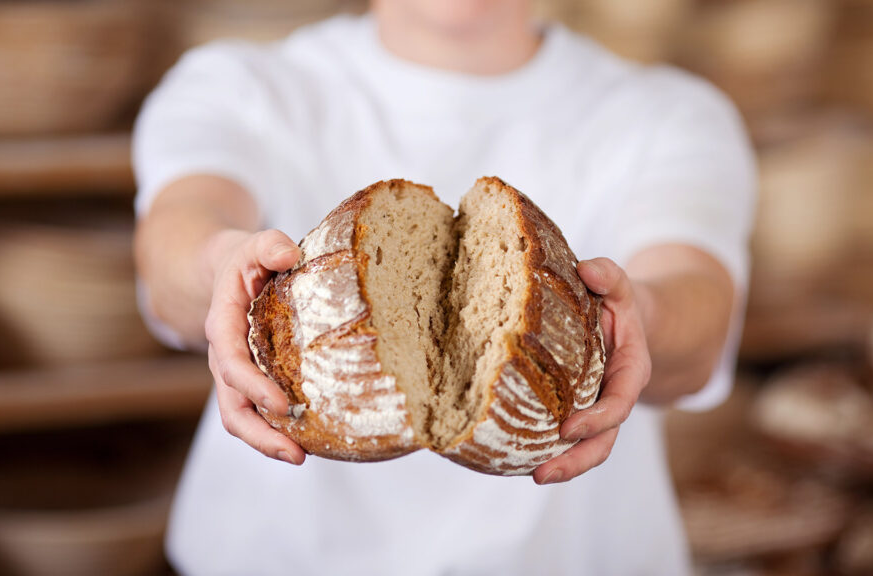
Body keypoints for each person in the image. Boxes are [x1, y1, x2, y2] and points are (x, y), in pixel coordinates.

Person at [133, 0, 755, 573]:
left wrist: (639, 311)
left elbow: (697, 306)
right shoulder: (240, 83)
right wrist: (221, 264)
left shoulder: (666, 112)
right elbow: (175, 244)